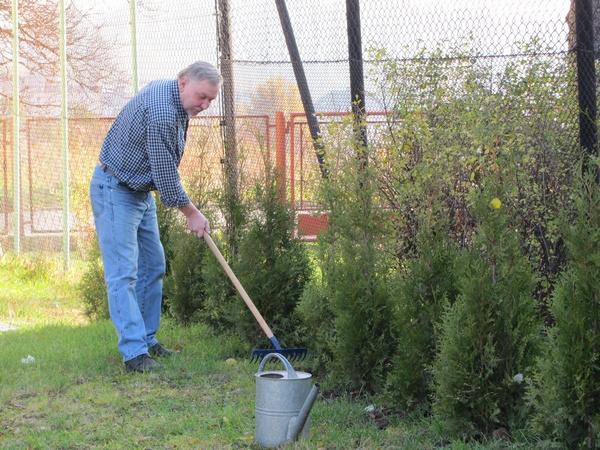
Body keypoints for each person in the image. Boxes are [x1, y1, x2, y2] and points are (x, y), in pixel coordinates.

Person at [90, 61, 222, 373]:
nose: (204, 105)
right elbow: (165, 175)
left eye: (210, 101)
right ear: (183, 82)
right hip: (115, 190)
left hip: (138, 190)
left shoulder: (171, 94)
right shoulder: (163, 111)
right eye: (201, 97)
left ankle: (147, 339)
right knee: (123, 274)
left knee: (153, 265)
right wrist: (192, 214)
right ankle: (134, 353)